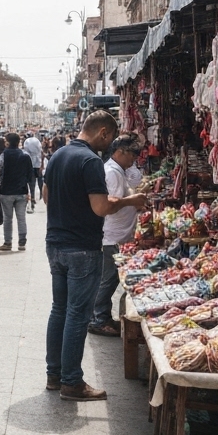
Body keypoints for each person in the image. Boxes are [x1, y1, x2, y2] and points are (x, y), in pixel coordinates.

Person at [42, 110, 135, 402]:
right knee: (76, 315)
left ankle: (54, 375)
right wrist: (131, 200)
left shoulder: (57, 155)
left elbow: (46, 195)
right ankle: (72, 382)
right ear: (104, 133)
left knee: (59, 309)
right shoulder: (91, 161)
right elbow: (100, 208)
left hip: (55, 244)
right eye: (109, 138)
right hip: (82, 247)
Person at [88, 138, 148, 337]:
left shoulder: (118, 170)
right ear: (121, 151)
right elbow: (109, 204)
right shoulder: (112, 172)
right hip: (111, 236)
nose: (134, 159)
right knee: (108, 279)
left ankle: (100, 315)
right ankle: (98, 319)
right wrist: (132, 200)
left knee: (110, 278)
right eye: (132, 154)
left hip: (118, 235)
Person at [0, 132, 33, 252]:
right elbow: (30, 175)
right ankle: (22, 242)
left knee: (8, 218)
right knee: (21, 218)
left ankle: (8, 242)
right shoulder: (25, 155)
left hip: (6, 191)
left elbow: (0, 171)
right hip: (21, 191)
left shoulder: (3, 155)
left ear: (7, 142)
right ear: (18, 142)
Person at [23, 131, 45, 213]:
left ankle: (32, 199)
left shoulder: (26, 142)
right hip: (38, 163)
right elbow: (41, 152)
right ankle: (41, 196)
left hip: (30, 164)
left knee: (31, 184)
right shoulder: (37, 141)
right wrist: (42, 164)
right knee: (40, 180)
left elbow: (25, 153)